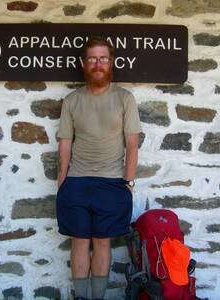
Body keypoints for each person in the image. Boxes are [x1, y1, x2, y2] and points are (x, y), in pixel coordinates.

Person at [56, 36, 141, 300]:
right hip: (77, 182)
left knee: (103, 242)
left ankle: (97, 298)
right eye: (92, 58)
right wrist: (62, 184)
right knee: (80, 241)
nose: (98, 64)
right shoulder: (71, 100)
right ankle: (80, 297)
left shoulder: (125, 98)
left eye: (103, 58)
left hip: (112, 183)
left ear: (111, 62)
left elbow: (132, 144)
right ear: (84, 63)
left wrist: (128, 183)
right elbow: (65, 144)